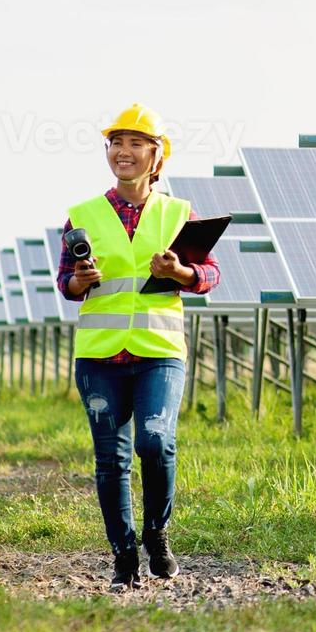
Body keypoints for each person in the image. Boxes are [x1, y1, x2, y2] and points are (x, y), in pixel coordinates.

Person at [58, 103, 218, 590]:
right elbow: (65, 282)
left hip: (158, 352)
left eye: (134, 143)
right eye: (115, 143)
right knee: (111, 458)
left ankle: (157, 535)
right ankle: (123, 554)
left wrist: (181, 273)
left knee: (156, 441)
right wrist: (80, 280)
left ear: (156, 155)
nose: (122, 152)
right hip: (100, 355)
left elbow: (208, 273)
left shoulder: (178, 212)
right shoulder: (82, 216)